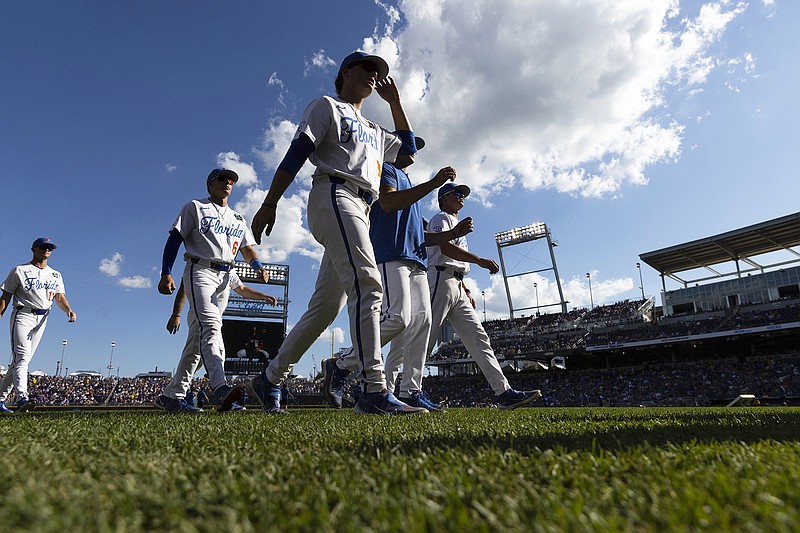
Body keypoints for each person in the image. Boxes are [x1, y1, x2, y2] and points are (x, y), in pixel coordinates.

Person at [247, 51, 427, 415]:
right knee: (369, 285)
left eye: (378, 73)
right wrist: (270, 202)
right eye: (367, 68)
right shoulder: (327, 105)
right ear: (345, 72)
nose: (374, 76)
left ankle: (269, 378)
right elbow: (298, 151)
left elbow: (408, 152)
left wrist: (395, 102)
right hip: (334, 193)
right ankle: (374, 389)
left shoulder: (376, 130)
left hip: (360, 207)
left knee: (326, 307)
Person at [322, 139, 472, 411]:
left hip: (417, 261)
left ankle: (410, 391)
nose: (414, 150)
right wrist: (433, 184)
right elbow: (389, 203)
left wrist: (452, 234)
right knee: (397, 318)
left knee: (423, 325)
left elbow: (420, 236)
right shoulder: (387, 170)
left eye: (416, 146)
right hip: (390, 255)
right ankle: (342, 363)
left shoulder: (411, 189)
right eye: (409, 145)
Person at [158, 168, 270, 412]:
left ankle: (173, 395)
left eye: (231, 180)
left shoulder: (238, 218)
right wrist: (166, 272)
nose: (227, 183)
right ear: (210, 185)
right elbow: (175, 238)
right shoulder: (195, 207)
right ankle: (221, 387)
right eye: (222, 179)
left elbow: (247, 248)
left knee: (197, 343)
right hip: (200, 269)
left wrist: (258, 265)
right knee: (212, 326)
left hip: (226, 275)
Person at [425, 183, 542, 409]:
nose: (461, 197)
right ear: (443, 198)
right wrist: (479, 260)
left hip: (456, 283)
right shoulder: (440, 218)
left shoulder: (454, 223)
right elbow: (444, 249)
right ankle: (401, 390)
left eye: (463, 195)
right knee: (425, 339)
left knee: (479, 339)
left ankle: (503, 392)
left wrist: (466, 288)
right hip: (440, 280)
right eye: (456, 194)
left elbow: (455, 261)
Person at [154, 271, 277, 412]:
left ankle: (168, 396)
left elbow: (241, 289)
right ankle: (175, 397)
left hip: (215, 318)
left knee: (214, 355)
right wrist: (176, 314)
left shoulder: (229, 269)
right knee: (194, 354)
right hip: (200, 315)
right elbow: (184, 288)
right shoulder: (203, 261)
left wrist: (263, 296)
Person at [0, 238, 76, 414]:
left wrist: (69, 310)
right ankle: (21, 398)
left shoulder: (55, 274)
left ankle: (0, 399)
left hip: (43, 319)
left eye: (49, 248)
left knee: (19, 361)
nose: (47, 250)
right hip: (23, 314)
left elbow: (59, 297)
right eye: (43, 247)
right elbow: (5, 296)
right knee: (22, 358)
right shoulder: (20, 270)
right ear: (34, 249)